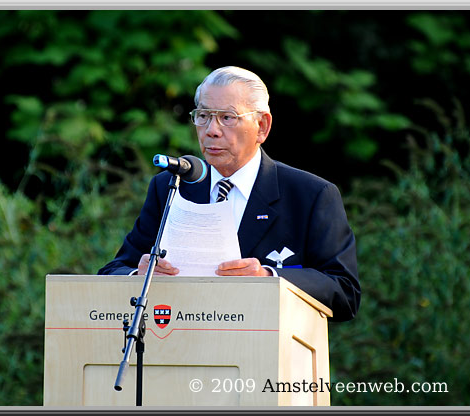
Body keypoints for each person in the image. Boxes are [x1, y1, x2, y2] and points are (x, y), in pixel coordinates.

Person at [98, 66, 360, 321]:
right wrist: (138, 274)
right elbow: (111, 271)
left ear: (262, 127)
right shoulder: (171, 185)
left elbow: (345, 292)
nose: (211, 129)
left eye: (227, 117)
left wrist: (269, 277)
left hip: (265, 354)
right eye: (203, 115)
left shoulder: (310, 195)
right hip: (177, 349)